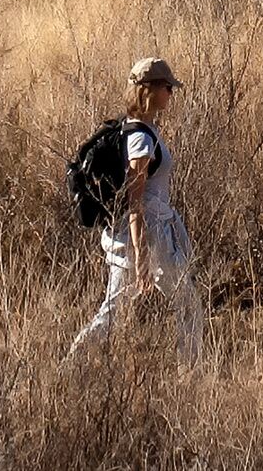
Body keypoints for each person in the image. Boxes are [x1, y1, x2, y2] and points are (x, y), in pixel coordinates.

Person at [67, 55, 204, 362]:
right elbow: (135, 202)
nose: (171, 93)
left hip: (132, 236)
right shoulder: (141, 139)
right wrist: (143, 257)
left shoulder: (133, 129)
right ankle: (191, 375)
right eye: (167, 87)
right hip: (149, 236)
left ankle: (70, 365)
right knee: (188, 305)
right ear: (151, 91)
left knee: (113, 308)